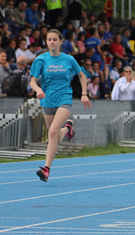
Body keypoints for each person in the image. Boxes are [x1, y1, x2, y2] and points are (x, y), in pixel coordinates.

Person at [30, 29, 91, 182]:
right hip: (47, 101)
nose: (52, 42)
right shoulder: (41, 60)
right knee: (55, 135)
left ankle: (46, 169)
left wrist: (84, 94)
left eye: (55, 39)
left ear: (61, 42)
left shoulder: (69, 59)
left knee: (51, 133)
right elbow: (32, 81)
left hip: (64, 99)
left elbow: (82, 76)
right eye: (49, 39)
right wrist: (38, 90)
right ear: (46, 42)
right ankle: (67, 129)